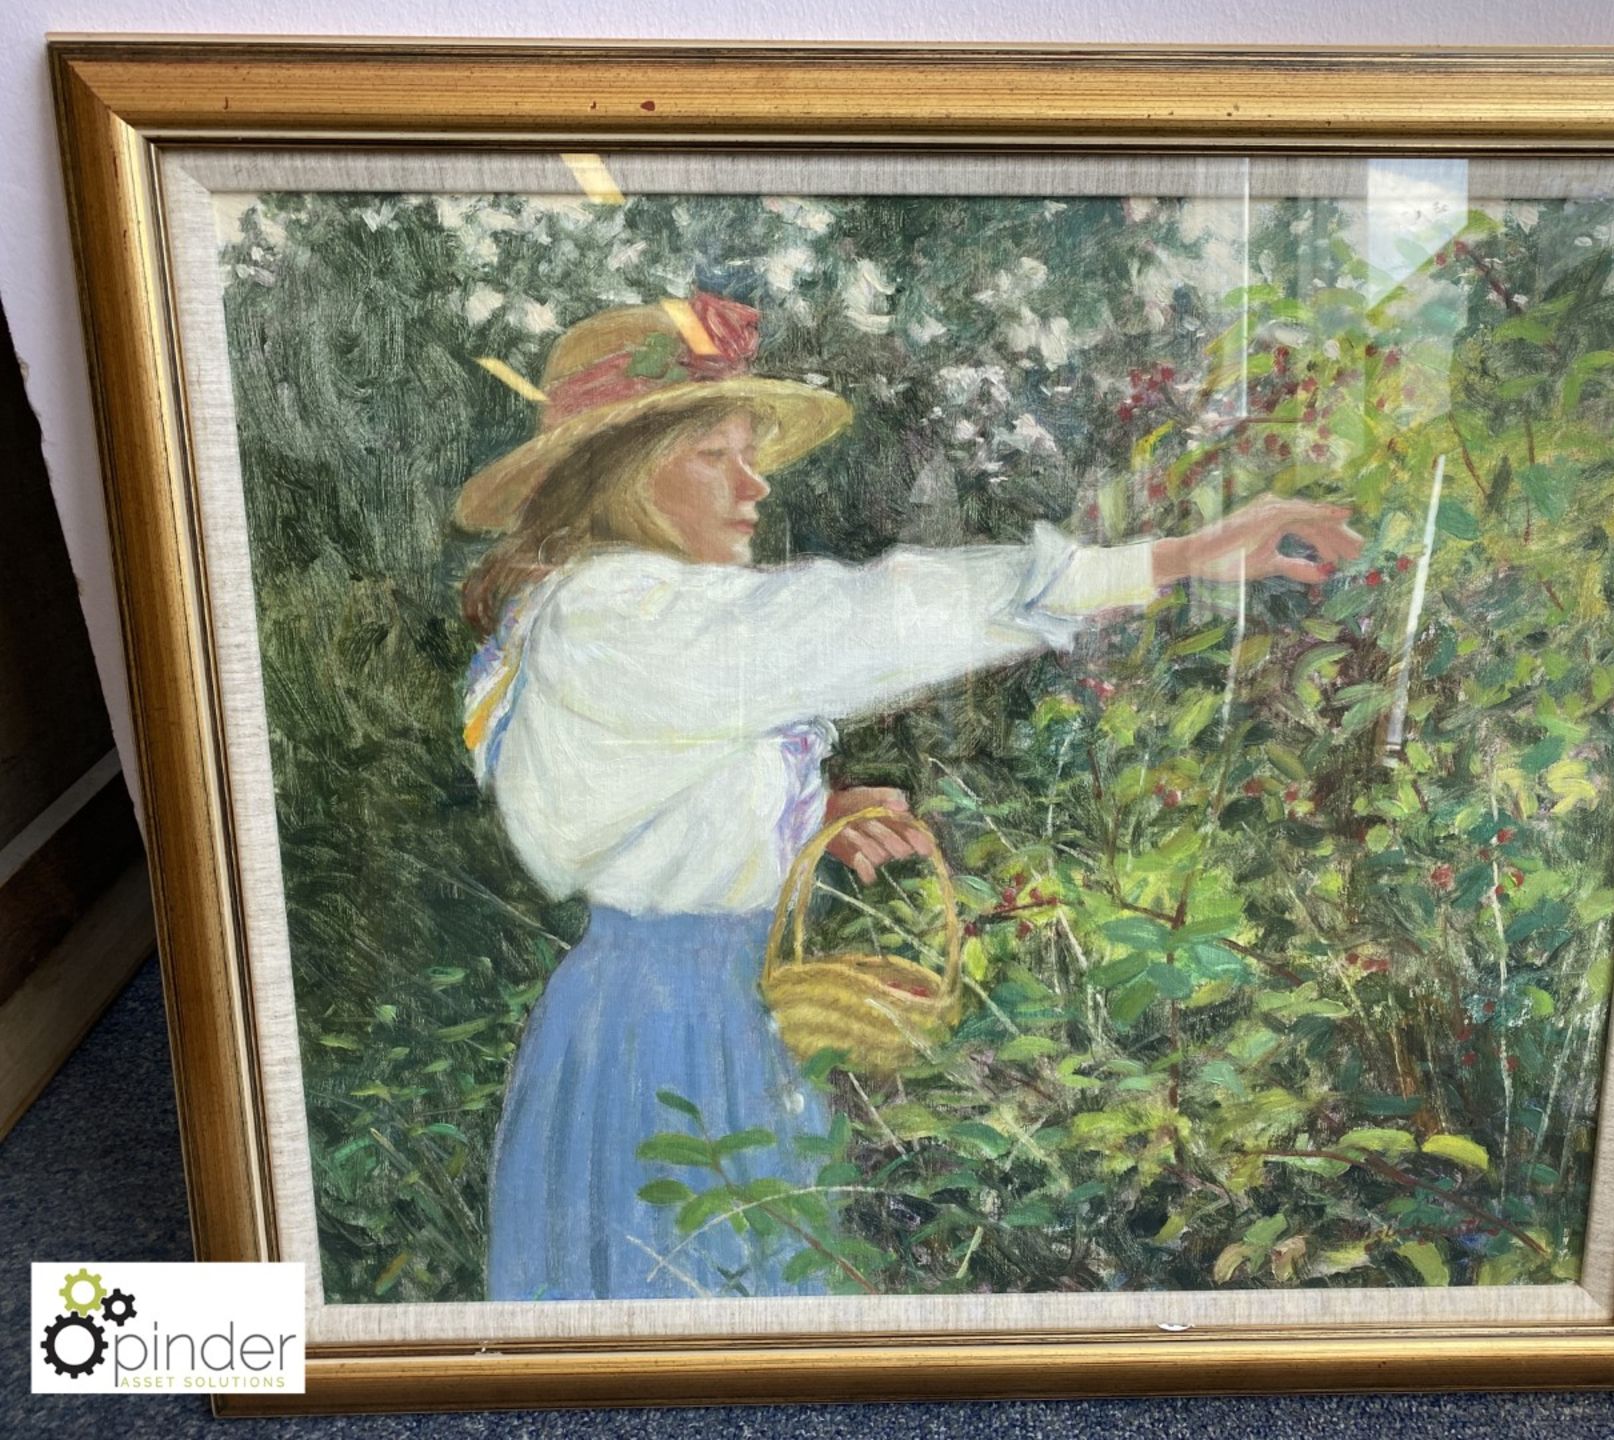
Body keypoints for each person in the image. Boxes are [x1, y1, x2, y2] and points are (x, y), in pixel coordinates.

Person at [454, 290, 1362, 1301]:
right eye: (716, 456)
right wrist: (1176, 559)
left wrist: (808, 817)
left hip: (685, 1004)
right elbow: (869, 617)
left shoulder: (621, 614)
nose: (754, 486)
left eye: (750, 454)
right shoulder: (618, 612)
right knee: (696, 1303)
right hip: (669, 1025)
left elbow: (637, 794)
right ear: (623, 476)